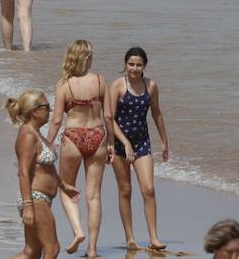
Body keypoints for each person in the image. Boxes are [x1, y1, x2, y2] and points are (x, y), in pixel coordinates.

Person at [47, 40, 111, 257]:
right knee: (94, 196)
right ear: (87, 57)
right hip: (98, 135)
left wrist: (47, 143)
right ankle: (92, 250)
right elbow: (109, 116)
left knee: (66, 188)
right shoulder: (101, 81)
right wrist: (110, 142)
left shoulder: (64, 84)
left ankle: (77, 231)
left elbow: (56, 120)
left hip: (73, 137)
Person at [107, 47, 170, 252]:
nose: (134, 68)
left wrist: (164, 141)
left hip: (142, 141)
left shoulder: (150, 85)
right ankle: (130, 239)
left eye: (139, 65)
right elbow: (109, 119)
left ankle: (154, 237)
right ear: (125, 64)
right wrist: (124, 142)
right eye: (131, 64)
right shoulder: (117, 86)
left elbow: (157, 113)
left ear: (144, 66)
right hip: (118, 143)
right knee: (125, 190)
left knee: (148, 189)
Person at [6, 89, 77, 259]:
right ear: (34, 111)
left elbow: (47, 168)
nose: (50, 110)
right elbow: (23, 172)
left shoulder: (36, 133)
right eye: (46, 107)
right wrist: (28, 206)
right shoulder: (27, 135)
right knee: (52, 249)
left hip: (40, 199)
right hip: (34, 198)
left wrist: (63, 185)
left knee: (31, 252)